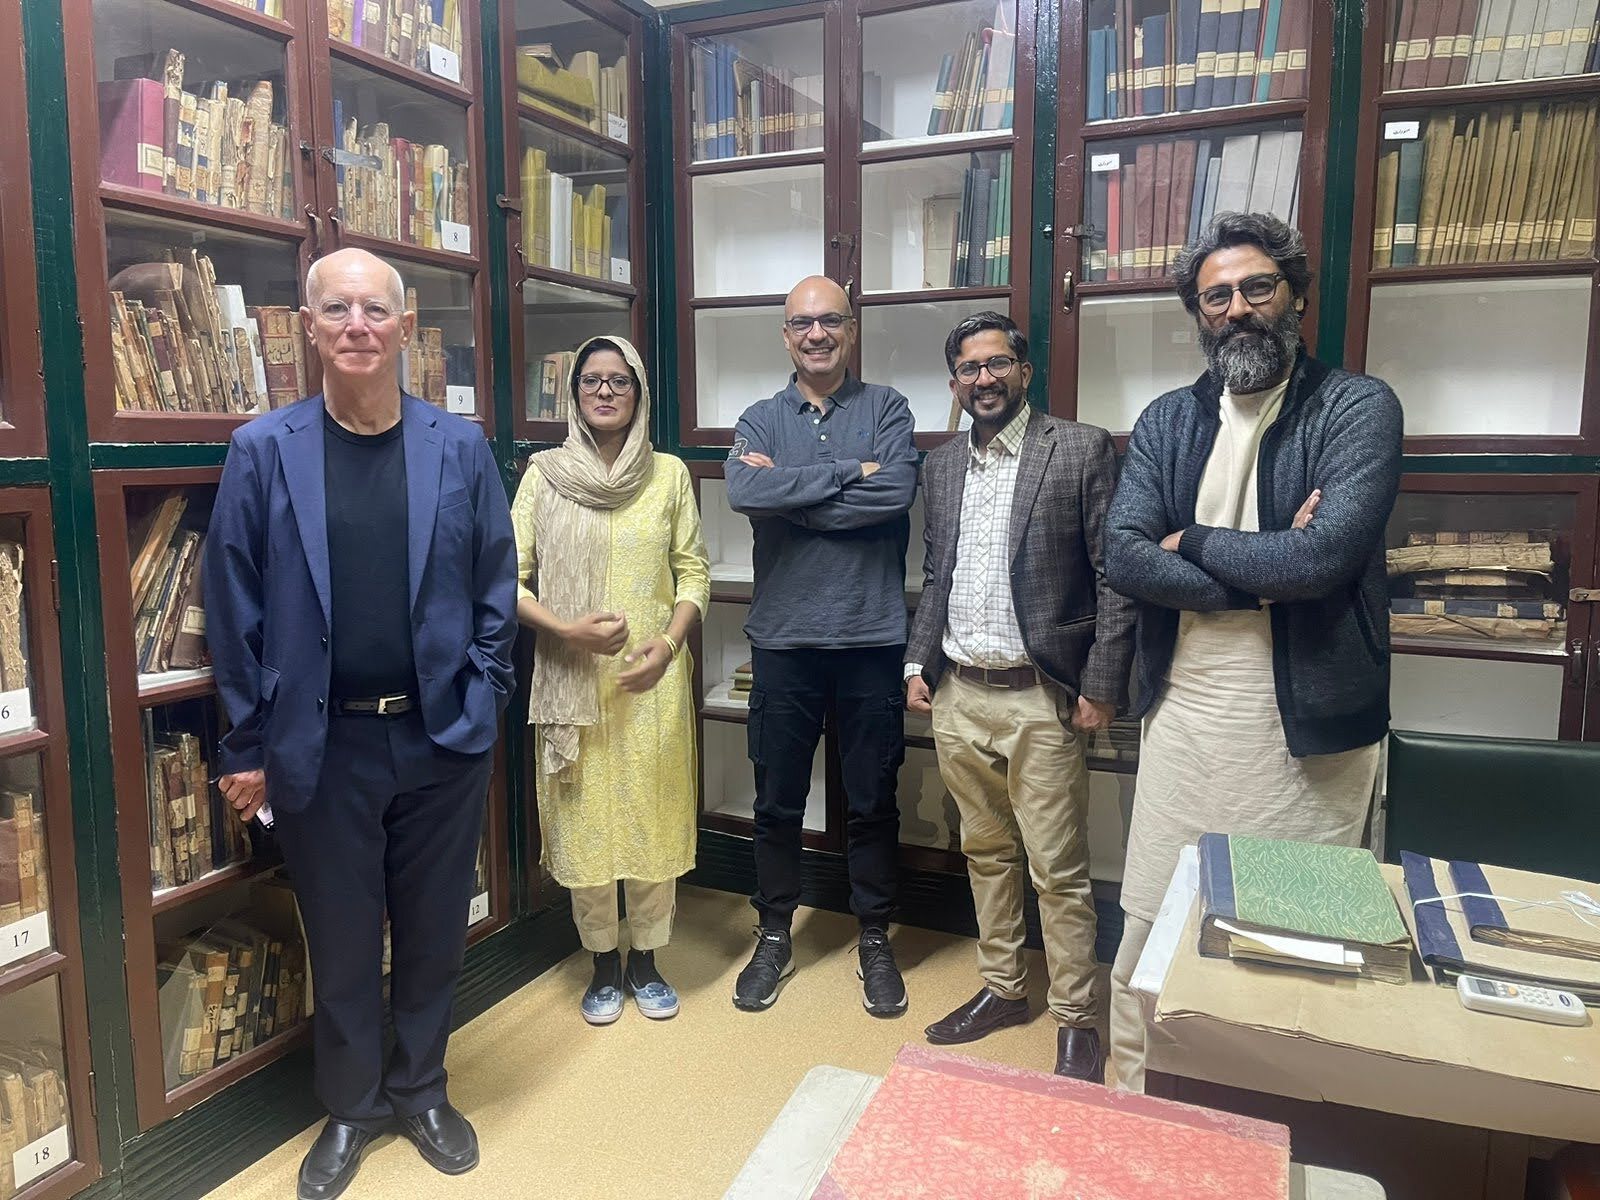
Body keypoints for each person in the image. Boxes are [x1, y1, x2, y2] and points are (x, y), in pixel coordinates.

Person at [205, 248, 516, 1200]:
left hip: (439, 737)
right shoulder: (264, 449)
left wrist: (484, 695)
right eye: (335, 309)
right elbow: (235, 607)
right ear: (307, 325)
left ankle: (421, 1090)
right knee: (341, 936)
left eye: (374, 310)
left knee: (430, 929)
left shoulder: (458, 446)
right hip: (324, 744)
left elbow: (497, 585)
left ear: (405, 323)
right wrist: (249, 744)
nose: (356, 326)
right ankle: (351, 1108)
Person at [1103, 212, 1403, 1091]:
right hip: (1187, 720)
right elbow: (1124, 557)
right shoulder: (1167, 420)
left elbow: (1322, 559)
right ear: (1200, 316)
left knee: (1295, 948)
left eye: (1257, 288)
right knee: (1151, 937)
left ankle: (1271, 1126)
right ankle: (1136, 1111)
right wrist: (1271, 568)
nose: (1238, 309)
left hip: (1308, 733)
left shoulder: (1356, 407)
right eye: (1217, 296)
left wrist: (1186, 540)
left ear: (1297, 298)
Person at [905, 312, 1135, 1082]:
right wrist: (918, 662)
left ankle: (1077, 1017)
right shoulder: (939, 467)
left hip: (1043, 695)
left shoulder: (1077, 448)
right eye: (969, 370)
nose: (984, 380)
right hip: (960, 690)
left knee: (1058, 867)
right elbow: (937, 573)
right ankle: (1004, 987)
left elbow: (1112, 574)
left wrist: (1100, 684)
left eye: (997, 364)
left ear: (1024, 371)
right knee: (984, 851)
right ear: (954, 384)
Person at [723, 275, 919, 1017]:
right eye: (802, 323)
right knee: (775, 800)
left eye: (830, 320)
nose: (816, 334)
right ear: (785, 335)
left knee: (871, 801)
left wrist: (797, 496)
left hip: (870, 640)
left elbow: (894, 494)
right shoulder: (759, 417)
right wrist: (845, 475)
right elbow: (745, 493)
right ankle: (774, 932)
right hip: (784, 642)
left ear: (851, 329)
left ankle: (875, 935)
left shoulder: (888, 409)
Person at [509, 335, 709, 1025]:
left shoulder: (670, 475)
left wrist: (669, 642)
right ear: (574, 395)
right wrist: (566, 632)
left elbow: (693, 573)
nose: (604, 391)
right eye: (591, 380)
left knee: (650, 820)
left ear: (639, 393)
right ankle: (600, 962)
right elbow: (507, 581)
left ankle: (648, 958)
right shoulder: (543, 477)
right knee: (588, 826)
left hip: (650, 684)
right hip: (573, 684)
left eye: (619, 381)